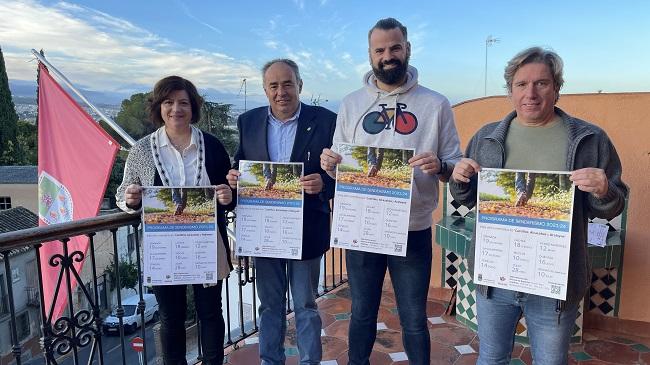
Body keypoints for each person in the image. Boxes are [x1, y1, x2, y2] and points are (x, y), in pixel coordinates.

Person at [450, 47, 628, 365]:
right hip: (495, 278)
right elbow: (468, 200)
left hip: (553, 282)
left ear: (557, 88)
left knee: (550, 361)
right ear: (510, 90)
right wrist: (459, 180)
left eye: (541, 83)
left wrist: (604, 190)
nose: (530, 93)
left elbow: (611, 207)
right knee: (491, 357)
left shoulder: (590, 139)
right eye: (521, 84)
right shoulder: (486, 138)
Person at [320, 18, 463, 365]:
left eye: (395, 48)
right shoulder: (352, 104)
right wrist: (331, 164)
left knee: (414, 319)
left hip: (412, 229)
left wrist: (441, 166)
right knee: (362, 315)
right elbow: (343, 167)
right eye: (380, 50)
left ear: (407, 49)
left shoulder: (436, 103)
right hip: (363, 230)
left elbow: (455, 162)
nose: (388, 56)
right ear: (370, 55)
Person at [116, 76, 234, 365]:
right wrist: (131, 199)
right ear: (159, 107)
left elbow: (230, 190)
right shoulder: (143, 150)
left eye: (183, 102)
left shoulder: (214, 146)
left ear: (193, 107)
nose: (176, 109)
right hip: (164, 249)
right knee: (171, 317)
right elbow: (124, 191)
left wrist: (227, 195)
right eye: (169, 102)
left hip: (208, 244)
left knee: (210, 312)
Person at [226, 59, 336, 365]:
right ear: (265, 90)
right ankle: (270, 360)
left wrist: (324, 183)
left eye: (287, 84)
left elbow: (341, 174)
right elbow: (240, 164)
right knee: (270, 306)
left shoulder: (327, 121)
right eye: (273, 85)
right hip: (265, 231)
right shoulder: (248, 122)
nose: (281, 92)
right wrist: (234, 177)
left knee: (305, 304)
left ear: (299, 85)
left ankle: (309, 361)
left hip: (307, 231)